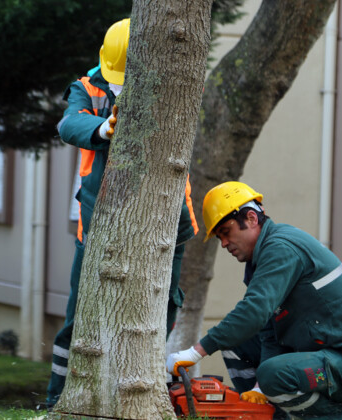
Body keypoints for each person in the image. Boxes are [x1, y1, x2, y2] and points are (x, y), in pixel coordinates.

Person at [46, 18, 198, 409]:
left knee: (160, 309)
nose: (118, 88)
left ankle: (146, 398)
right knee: (79, 315)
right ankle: (55, 402)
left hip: (168, 221)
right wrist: (103, 130)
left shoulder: (172, 86)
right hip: (96, 221)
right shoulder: (88, 87)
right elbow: (69, 124)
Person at [166, 181, 342, 420]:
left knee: (273, 373)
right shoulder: (258, 263)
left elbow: (254, 313)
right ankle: (262, 414)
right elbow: (269, 332)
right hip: (322, 357)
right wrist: (259, 388)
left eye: (226, 232)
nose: (224, 244)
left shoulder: (280, 248)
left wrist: (197, 351)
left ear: (251, 218)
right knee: (237, 343)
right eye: (219, 238)